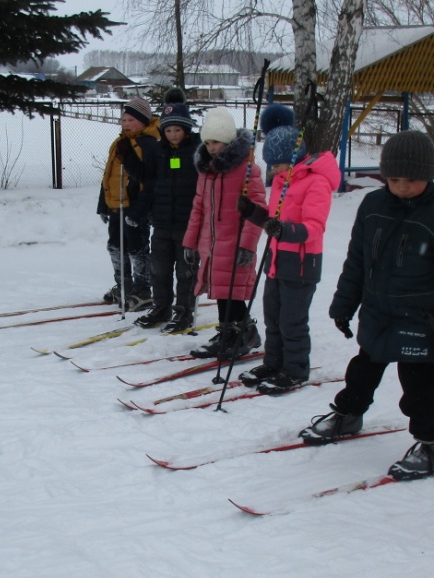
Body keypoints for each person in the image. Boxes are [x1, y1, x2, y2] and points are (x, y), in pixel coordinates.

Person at [298, 130, 434, 481]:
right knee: (362, 371)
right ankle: (349, 414)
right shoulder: (373, 206)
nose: (402, 187)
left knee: (417, 385)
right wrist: (344, 304)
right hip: (378, 312)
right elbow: (357, 261)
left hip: (420, 318)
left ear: (428, 175)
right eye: (394, 180)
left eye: (411, 180)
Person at [235, 105, 341, 394]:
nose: (274, 171)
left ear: (293, 159)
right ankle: (273, 362)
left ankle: (295, 369)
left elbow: (314, 227)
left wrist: (285, 230)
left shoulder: (316, 182)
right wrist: (253, 213)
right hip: (276, 261)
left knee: (291, 321)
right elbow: (273, 220)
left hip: (301, 264)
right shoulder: (283, 181)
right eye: (272, 166)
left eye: (278, 165)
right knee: (273, 317)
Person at [183, 107, 267, 361]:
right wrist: (190, 242)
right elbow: (198, 208)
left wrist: (248, 245)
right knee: (220, 290)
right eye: (207, 142)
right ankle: (228, 332)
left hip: (236, 243)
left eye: (216, 142)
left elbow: (258, 210)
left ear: (228, 141)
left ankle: (243, 332)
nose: (211, 147)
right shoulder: (207, 171)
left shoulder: (247, 169)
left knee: (233, 291)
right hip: (212, 243)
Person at [135, 88, 201, 332]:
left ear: (186, 130)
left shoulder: (197, 151)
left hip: (187, 224)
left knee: (186, 272)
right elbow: (150, 183)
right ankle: (161, 306)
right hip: (162, 222)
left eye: (177, 130)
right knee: (159, 269)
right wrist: (141, 210)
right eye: (168, 130)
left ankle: (184, 311)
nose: (173, 135)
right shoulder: (158, 152)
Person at [96, 96, 160, 312]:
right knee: (115, 247)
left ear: (144, 121)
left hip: (135, 207)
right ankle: (124, 285)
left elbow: (150, 182)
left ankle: (142, 289)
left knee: (137, 249)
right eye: (123, 120)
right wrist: (103, 205)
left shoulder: (148, 144)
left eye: (131, 120)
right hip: (116, 205)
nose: (126, 124)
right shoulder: (118, 143)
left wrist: (140, 210)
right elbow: (108, 175)